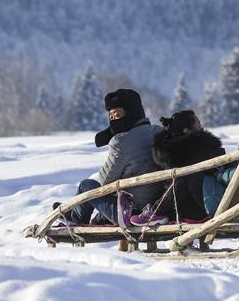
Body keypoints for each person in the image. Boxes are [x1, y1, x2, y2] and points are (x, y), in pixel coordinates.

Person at [56, 89, 164, 226]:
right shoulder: (159, 132)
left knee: (86, 185)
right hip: (157, 207)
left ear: (131, 112)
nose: (113, 121)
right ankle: (77, 215)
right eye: (111, 117)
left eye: (117, 115)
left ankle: (75, 219)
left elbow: (104, 183)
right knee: (98, 219)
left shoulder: (120, 142)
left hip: (131, 212)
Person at [150, 109, 225, 222]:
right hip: (202, 207)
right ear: (187, 130)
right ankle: (156, 212)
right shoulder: (199, 147)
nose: (201, 125)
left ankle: (155, 212)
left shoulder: (165, 153)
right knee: (184, 176)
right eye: (197, 123)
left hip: (176, 210)